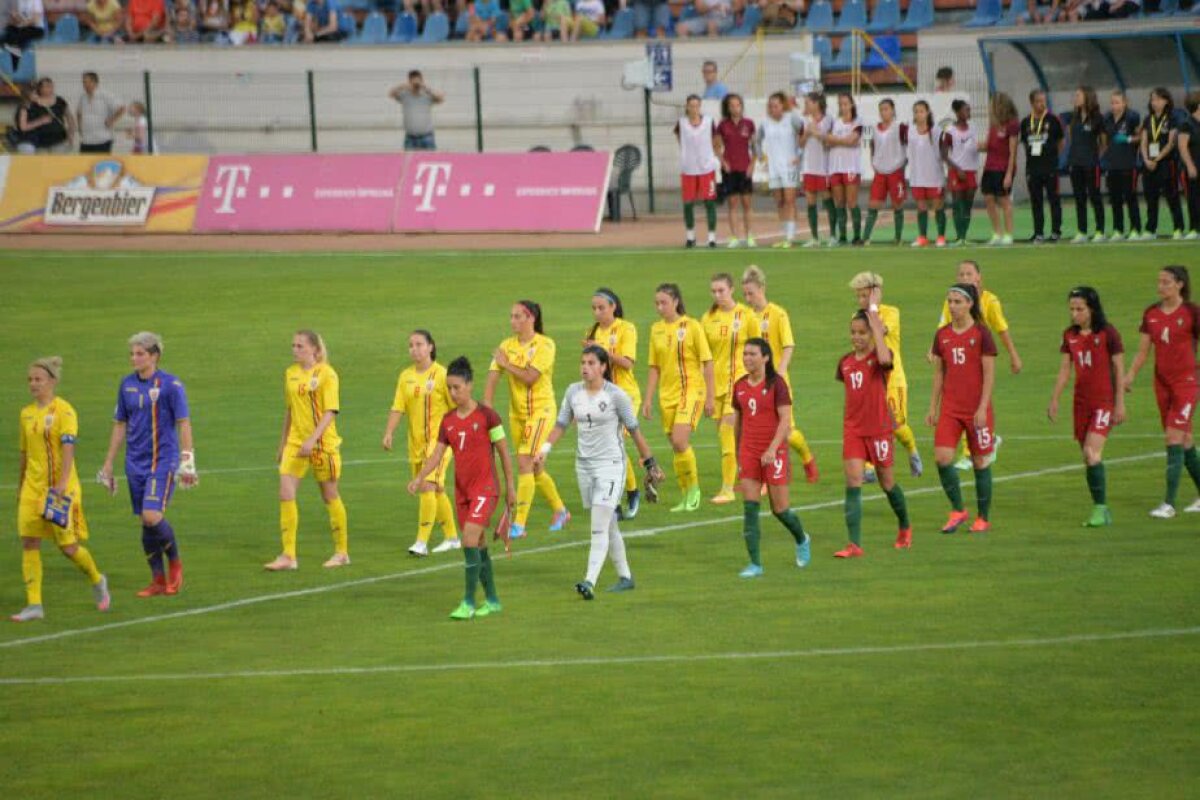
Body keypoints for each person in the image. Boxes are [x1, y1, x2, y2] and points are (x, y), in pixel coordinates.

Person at [536, 347, 665, 599]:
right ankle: (625, 577)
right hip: (584, 466)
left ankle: (589, 581)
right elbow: (561, 424)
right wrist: (544, 450)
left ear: (603, 367)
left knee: (598, 525)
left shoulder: (617, 396)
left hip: (611, 466)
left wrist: (651, 463)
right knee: (609, 523)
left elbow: (635, 431)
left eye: (591, 363)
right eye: (583, 362)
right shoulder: (573, 392)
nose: (585, 367)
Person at [410, 357, 516, 620]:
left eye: (457, 387)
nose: (453, 392)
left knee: (468, 540)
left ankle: (468, 602)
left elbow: (504, 453)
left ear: (470, 385)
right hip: (462, 491)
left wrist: (511, 488)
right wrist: (420, 477)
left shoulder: (488, 416)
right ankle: (492, 600)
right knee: (478, 544)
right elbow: (437, 455)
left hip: (486, 488)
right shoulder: (448, 421)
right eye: (449, 388)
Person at [11, 357, 111, 623]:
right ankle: (34, 604)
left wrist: (63, 483)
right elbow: (24, 453)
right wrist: (21, 486)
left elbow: (68, 447)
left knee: (68, 547)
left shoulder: (64, 411)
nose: (33, 384)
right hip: (32, 489)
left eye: (38, 379)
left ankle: (97, 579)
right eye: (30, 380)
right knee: (29, 541)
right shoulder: (25, 414)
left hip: (59, 489)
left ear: (52, 381)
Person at [98, 332, 198, 596]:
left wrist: (187, 460)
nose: (134, 358)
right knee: (145, 520)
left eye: (140, 353)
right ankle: (157, 580)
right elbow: (120, 424)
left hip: (162, 460)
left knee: (152, 515)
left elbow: (183, 422)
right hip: (135, 463)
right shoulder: (126, 385)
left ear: (154, 356)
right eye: (132, 354)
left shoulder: (171, 385)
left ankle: (175, 564)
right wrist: (108, 464)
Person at [264, 330, 349, 571]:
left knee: (329, 495)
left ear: (314, 349)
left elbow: (330, 411)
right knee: (285, 492)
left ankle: (342, 553)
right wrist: (283, 443)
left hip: (322, 444)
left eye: (300, 346)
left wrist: (312, 440)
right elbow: (290, 410)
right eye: (293, 345)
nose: (295, 350)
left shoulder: (327, 374)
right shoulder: (290, 374)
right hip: (296, 442)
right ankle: (288, 556)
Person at [485, 300, 570, 540]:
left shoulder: (545, 345)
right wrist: (487, 406)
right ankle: (560, 511)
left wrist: (507, 364)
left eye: (517, 316)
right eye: (511, 316)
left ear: (531, 318)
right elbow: (493, 374)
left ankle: (518, 524)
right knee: (535, 467)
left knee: (524, 463)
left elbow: (531, 377)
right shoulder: (507, 345)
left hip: (541, 411)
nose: (512, 321)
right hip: (517, 415)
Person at [835, 305, 913, 558]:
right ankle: (854, 544)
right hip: (854, 431)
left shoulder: (881, 358)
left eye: (862, 332)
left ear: (871, 334)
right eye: (853, 332)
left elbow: (886, 360)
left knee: (887, 482)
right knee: (853, 481)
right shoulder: (845, 363)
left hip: (879, 430)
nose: (857, 337)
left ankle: (904, 526)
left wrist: (878, 329)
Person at [1123, 266, 1200, 518]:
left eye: (1166, 282)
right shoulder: (1152, 313)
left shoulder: (1192, 312)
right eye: (1159, 282)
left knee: (1172, 438)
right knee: (1185, 440)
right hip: (1162, 383)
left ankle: (1169, 504)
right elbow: (1143, 350)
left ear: (1180, 284)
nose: (1161, 286)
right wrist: (1130, 375)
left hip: (1187, 383)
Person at [732, 338, 812, 578]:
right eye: (745, 354)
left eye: (752, 354)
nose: (747, 358)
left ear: (765, 358)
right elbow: (739, 422)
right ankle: (755, 564)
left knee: (780, 510)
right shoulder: (739, 386)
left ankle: (801, 538)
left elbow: (785, 420)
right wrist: (738, 454)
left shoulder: (777, 384)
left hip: (774, 453)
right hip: (749, 452)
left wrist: (772, 449)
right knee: (750, 508)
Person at [1047, 287, 1126, 528]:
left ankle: (1100, 509)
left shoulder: (1108, 333)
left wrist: (1120, 403)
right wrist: (1055, 399)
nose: (1074, 314)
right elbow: (1065, 370)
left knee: (1092, 453)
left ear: (1092, 309)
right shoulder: (1069, 335)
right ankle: (1102, 508)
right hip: (1081, 403)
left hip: (1104, 402)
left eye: (1079, 309)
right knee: (1087, 456)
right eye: (1071, 309)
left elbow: (1118, 369)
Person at [935, 260, 1022, 470]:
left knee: (976, 402)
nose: (965, 278)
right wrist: (933, 350)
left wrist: (1013, 355)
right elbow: (943, 327)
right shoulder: (953, 300)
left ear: (979, 277)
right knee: (961, 400)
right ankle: (983, 444)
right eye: (961, 274)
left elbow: (1001, 329)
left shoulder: (990, 301)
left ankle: (975, 450)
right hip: (959, 355)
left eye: (969, 274)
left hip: (981, 357)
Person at [383, 330, 460, 557]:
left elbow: (456, 408)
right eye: (411, 345)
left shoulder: (442, 375)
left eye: (419, 344)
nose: (414, 349)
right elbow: (398, 407)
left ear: (430, 347)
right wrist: (389, 432)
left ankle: (421, 543)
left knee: (426, 485)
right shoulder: (405, 376)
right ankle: (452, 538)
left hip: (440, 443)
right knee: (437, 490)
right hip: (416, 443)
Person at [927, 284, 997, 534]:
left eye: (957, 302)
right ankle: (958, 510)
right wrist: (933, 407)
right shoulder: (942, 335)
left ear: (970, 304)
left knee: (979, 461)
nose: (952, 306)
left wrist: (983, 407)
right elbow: (939, 373)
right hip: (951, 409)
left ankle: (983, 517)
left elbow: (989, 374)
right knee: (942, 458)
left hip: (976, 410)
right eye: (950, 301)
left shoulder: (981, 334)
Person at [741, 265, 820, 482]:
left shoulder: (778, 314)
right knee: (757, 430)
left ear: (762, 289)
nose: (748, 298)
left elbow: (788, 345)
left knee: (786, 431)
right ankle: (762, 477)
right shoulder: (746, 316)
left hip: (776, 382)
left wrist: (781, 371)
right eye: (745, 294)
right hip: (754, 382)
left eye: (751, 293)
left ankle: (807, 458)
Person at [642, 283, 715, 511]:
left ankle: (694, 492)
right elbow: (654, 367)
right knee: (677, 447)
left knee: (680, 441)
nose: (659, 307)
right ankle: (685, 495)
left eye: (663, 302)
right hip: (667, 396)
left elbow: (708, 362)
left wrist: (710, 397)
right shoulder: (656, 329)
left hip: (691, 391)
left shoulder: (692, 326)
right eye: (656, 303)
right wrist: (648, 399)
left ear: (675, 302)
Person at [849, 272, 923, 479]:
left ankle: (912, 450)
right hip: (870, 379)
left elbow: (879, 330)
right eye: (858, 296)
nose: (861, 300)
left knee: (895, 425)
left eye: (865, 296)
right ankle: (869, 467)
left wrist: (873, 308)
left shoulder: (891, 313)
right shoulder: (857, 317)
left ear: (876, 294)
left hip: (893, 379)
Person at [584, 288, 643, 519]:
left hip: (625, 396)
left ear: (613, 307)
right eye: (594, 308)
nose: (597, 312)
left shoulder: (626, 328)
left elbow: (627, 363)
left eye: (601, 307)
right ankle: (628, 492)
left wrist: (600, 351)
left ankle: (624, 496)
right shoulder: (592, 332)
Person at [701, 272, 754, 504]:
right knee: (735, 438)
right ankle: (752, 477)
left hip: (741, 384)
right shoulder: (707, 319)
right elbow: (705, 359)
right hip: (717, 386)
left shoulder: (746, 315)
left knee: (726, 434)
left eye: (721, 290)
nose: (717, 295)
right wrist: (707, 393)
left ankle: (727, 489)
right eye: (713, 291)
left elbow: (759, 351)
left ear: (732, 290)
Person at [674, 94, 722, 248]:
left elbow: (716, 141)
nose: (694, 108)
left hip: (706, 168)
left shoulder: (708, 122)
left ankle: (712, 237)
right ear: (687, 107)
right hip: (688, 169)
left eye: (696, 105)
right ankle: (690, 236)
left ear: (700, 106)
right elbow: (679, 138)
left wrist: (715, 157)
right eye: (691, 106)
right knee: (688, 204)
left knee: (709, 202)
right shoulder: (681, 123)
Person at [1140, 87, 1186, 241]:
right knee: (1150, 198)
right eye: (1153, 99)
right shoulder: (1148, 119)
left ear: (1166, 101)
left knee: (1172, 196)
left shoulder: (1172, 118)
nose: (1155, 102)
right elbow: (1143, 141)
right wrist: (1146, 159)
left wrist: (1157, 159)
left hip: (1166, 163)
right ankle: (1150, 229)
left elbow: (1171, 143)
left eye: (1158, 99)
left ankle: (1178, 228)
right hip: (1149, 165)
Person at [1020, 89, 1065, 243]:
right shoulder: (1026, 122)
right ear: (1032, 103)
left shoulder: (1053, 120)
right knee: (1036, 202)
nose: (1042, 104)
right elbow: (1025, 143)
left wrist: (1052, 156)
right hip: (1033, 168)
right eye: (1038, 101)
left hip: (1050, 167)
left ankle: (1056, 232)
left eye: (1043, 101)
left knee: (1054, 200)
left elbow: (1061, 142)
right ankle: (1038, 232)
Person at [758, 91, 801, 249]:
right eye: (770, 106)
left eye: (776, 105)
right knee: (780, 202)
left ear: (782, 105)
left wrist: (799, 154)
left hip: (790, 166)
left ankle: (791, 237)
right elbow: (757, 140)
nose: (773, 109)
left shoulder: (791, 119)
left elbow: (804, 133)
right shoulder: (765, 123)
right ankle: (785, 235)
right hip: (774, 168)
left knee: (790, 200)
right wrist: (761, 157)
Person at [862, 97, 907, 246]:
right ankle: (865, 237)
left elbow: (908, 145)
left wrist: (904, 163)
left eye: (886, 109)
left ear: (893, 110)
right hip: (880, 172)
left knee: (897, 205)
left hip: (895, 171)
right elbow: (872, 145)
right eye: (881, 110)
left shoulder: (900, 127)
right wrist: (873, 162)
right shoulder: (874, 128)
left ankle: (898, 238)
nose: (883, 112)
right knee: (873, 204)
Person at [1065, 86, 1107, 244]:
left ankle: (1100, 231)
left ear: (1087, 97)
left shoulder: (1097, 117)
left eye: (1078, 95)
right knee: (1079, 198)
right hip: (1075, 162)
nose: (1075, 98)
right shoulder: (1073, 117)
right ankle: (1082, 231)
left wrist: (1095, 157)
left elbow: (1104, 143)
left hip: (1091, 163)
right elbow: (1071, 138)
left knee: (1095, 197)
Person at [823, 92, 864, 246]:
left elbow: (852, 140)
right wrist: (843, 141)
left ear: (852, 104)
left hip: (851, 167)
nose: (843, 107)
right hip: (835, 167)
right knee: (839, 202)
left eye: (846, 103)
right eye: (840, 104)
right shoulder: (834, 122)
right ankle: (842, 236)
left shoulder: (858, 121)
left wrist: (835, 140)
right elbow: (826, 142)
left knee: (852, 202)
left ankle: (857, 236)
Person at [1102, 89, 1143, 241]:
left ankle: (1135, 229)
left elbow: (1141, 136)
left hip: (1128, 164)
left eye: (1117, 102)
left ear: (1125, 103)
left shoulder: (1132, 117)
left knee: (1130, 197)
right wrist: (1105, 155)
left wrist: (1128, 139)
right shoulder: (1107, 118)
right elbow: (1104, 140)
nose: (1114, 106)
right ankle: (1118, 230)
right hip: (1112, 164)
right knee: (1115, 199)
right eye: (1112, 103)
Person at [716, 93, 756, 248]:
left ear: (741, 106)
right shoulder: (723, 125)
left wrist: (752, 165)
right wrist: (722, 161)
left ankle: (749, 236)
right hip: (730, 169)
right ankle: (734, 237)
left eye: (738, 105)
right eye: (732, 105)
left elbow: (755, 146)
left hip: (745, 168)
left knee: (747, 203)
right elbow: (716, 146)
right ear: (727, 108)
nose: (735, 108)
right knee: (732, 204)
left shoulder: (749, 124)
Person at [906, 99, 947, 248]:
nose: (919, 114)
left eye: (921, 111)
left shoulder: (936, 131)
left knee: (938, 207)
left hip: (934, 176)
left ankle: (941, 237)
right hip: (917, 177)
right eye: (916, 112)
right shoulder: (910, 132)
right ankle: (923, 237)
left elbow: (944, 151)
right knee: (921, 207)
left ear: (928, 112)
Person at [981, 92, 1018, 246]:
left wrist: (1009, 174)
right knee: (988, 198)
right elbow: (988, 145)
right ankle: (997, 232)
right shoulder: (993, 125)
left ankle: (1008, 234)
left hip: (1003, 167)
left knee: (1004, 200)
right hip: (989, 166)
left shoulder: (1012, 124)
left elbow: (1013, 151)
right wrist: (969, 145)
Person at [799, 91, 834, 248]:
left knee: (827, 200)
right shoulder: (804, 121)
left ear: (816, 104)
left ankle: (833, 236)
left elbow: (829, 142)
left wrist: (817, 133)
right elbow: (800, 144)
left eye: (808, 103)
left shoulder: (829, 120)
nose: (805, 105)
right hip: (808, 167)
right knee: (810, 202)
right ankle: (814, 237)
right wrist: (807, 133)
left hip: (823, 167)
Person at [941, 99, 979, 246]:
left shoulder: (973, 128)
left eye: (969, 109)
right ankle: (959, 237)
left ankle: (965, 237)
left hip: (971, 170)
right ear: (957, 113)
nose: (968, 112)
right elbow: (944, 155)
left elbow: (975, 147)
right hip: (956, 171)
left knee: (968, 204)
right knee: (958, 204)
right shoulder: (950, 131)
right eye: (965, 110)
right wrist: (957, 169)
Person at [388, 70, 444, 152]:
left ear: (422, 80)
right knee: (409, 159)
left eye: (418, 80)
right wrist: (402, 86)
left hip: (427, 137)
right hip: (410, 138)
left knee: (430, 158)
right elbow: (391, 94)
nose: (416, 84)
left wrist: (426, 87)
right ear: (409, 81)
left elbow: (441, 99)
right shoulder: (404, 95)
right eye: (413, 80)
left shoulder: (427, 95)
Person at [18, 78, 73, 154]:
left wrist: (71, 133)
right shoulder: (29, 106)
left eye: (51, 86)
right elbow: (23, 126)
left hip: (59, 140)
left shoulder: (60, 101)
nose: (49, 89)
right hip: (40, 142)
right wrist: (41, 121)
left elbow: (70, 118)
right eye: (46, 86)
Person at [76, 72, 124, 155]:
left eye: (87, 82)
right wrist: (80, 127)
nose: (85, 85)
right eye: (84, 82)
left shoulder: (105, 95)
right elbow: (78, 113)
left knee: (101, 162)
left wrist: (112, 120)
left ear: (95, 82)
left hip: (102, 140)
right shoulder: (82, 97)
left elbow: (121, 108)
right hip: (86, 140)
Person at [1176, 91, 1200, 240]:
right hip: (1193, 168)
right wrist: (1190, 165)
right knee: (1194, 198)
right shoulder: (1187, 124)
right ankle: (1194, 228)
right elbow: (1182, 147)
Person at [2, 0, 44, 70]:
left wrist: (23, 23)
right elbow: (15, 17)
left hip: (35, 28)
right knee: (9, 31)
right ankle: (14, 51)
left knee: (16, 38)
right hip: (21, 27)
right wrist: (15, 18)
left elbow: (36, 19)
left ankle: (15, 66)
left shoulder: (36, 1)